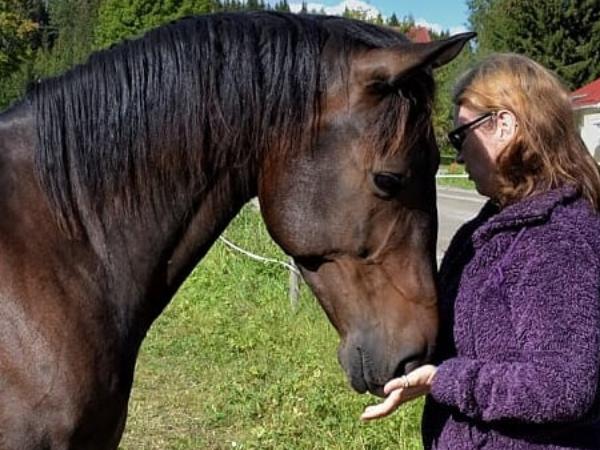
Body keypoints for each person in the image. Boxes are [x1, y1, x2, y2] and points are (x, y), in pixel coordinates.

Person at [361, 53, 600, 449]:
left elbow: (562, 386)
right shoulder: (490, 225)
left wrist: (447, 380)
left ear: (504, 125)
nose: (457, 154)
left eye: (461, 136)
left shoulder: (557, 239)